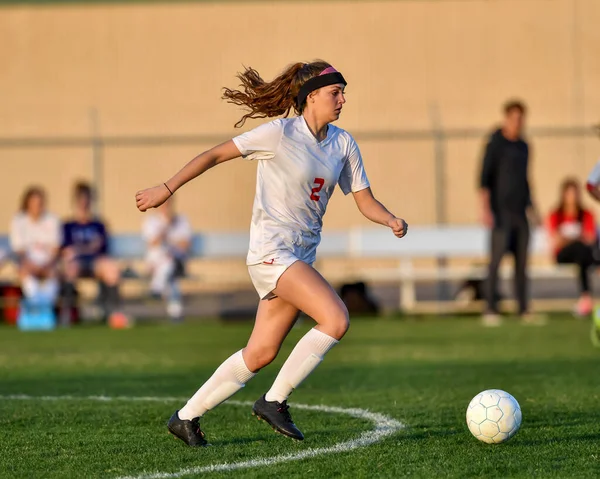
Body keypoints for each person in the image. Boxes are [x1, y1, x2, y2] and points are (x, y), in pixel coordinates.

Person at [135, 60, 408, 446]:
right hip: (271, 253)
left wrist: (391, 219)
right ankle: (274, 401)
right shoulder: (279, 133)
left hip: (299, 257)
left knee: (260, 353)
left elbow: (365, 200)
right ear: (311, 96)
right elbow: (213, 155)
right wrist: (167, 187)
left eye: (343, 92)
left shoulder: (343, 144)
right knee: (336, 318)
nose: (343, 99)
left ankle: (186, 416)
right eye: (336, 92)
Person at [479, 100, 541, 327]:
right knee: (496, 262)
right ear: (506, 118)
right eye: (513, 118)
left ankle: (523, 308)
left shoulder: (524, 146)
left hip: (520, 213)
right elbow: (483, 178)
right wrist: (485, 210)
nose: (517, 123)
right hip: (500, 213)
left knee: (522, 263)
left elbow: (526, 181)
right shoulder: (495, 143)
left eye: (521, 119)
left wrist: (533, 209)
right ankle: (490, 308)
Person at [61, 181, 126, 325]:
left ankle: (114, 314)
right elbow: (66, 251)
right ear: (75, 201)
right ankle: (67, 314)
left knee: (111, 270)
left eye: (87, 199)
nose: (84, 203)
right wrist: (88, 247)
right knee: (70, 268)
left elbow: (102, 249)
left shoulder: (98, 225)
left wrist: (81, 249)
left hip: (95, 263)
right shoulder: (68, 226)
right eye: (81, 199)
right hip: (76, 264)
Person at [547, 178, 597, 316]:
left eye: (574, 193)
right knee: (580, 249)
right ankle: (586, 299)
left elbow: (591, 238)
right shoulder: (556, 215)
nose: (571, 197)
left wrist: (568, 237)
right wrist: (575, 237)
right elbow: (555, 241)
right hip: (564, 255)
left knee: (582, 255)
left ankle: (585, 300)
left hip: (583, 256)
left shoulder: (585, 214)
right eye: (569, 193)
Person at [10, 186, 61, 309]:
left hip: (49, 263)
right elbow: (19, 250)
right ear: (27, 203)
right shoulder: (18, 221)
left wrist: (46, 266)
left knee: (55, 273)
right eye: (34, 203)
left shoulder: (52, 219)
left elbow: (55, 248)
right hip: (27, 263)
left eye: (39, 203)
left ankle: (46, 308)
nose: (37, 206)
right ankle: (36, 307)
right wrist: (32, 266)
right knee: (24, 273)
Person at [142, 197, 192, 321]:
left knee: (168, 262)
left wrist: (168, 243)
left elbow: (185, 244)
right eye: (162, 202)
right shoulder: (151, 221)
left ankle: (156, 288)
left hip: (176, 262)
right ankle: (175, 313)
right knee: (168, 268)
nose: (165, 206)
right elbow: (152, 243)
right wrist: (166, 226)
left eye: (168, 202)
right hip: (155, 261)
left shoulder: (181, 220)